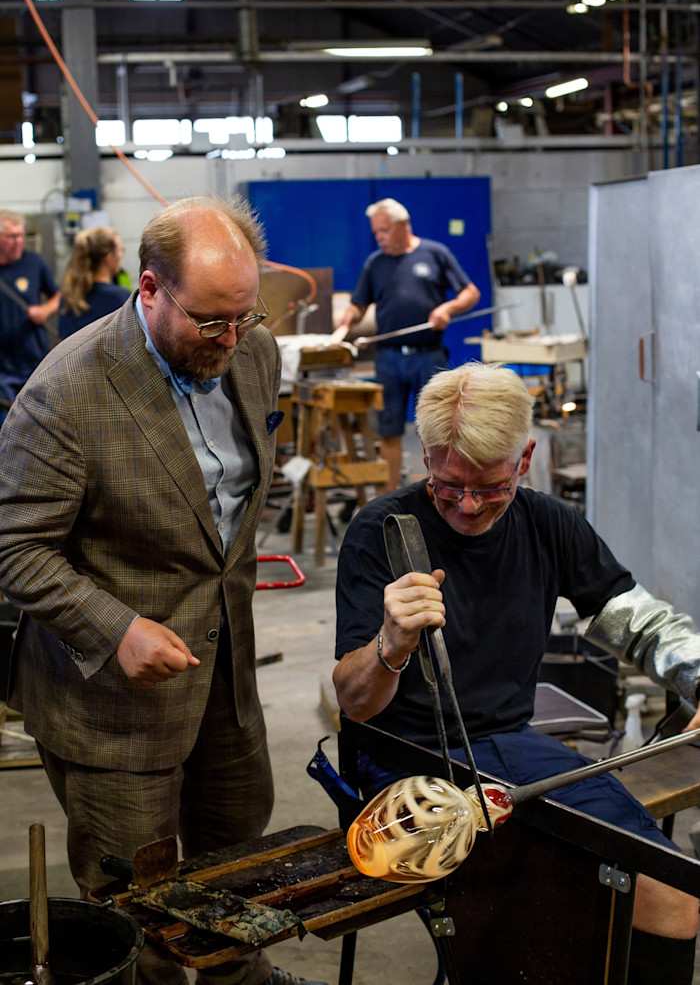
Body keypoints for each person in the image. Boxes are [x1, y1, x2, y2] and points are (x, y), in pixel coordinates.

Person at [0, 196, 326, 985]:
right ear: (149, 289)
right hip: (112, 704)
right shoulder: (67, 390)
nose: (230, 340)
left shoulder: (253, 353)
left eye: (244, 318)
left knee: (234, 862)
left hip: (226, 678)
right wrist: (114, 627)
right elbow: (14, 546)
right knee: (135, 904)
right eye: (210, 322)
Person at [333, 361, 700, 985]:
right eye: (448, 485)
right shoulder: (383, 531)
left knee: (671, 891)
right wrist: (391, 644)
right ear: (426, 454)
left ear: (525, 457)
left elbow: (637, 623)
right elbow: (355, 702)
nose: (468, 506)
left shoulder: (549, 523)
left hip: (512, 750)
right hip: (404, 761)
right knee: (540, 911)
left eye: (491, 487)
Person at [334, 198, 481, 490]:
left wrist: (447, 309)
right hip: (388, 359)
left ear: (404, 225)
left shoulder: (435, 253)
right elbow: (359, 304)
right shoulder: (375, 263)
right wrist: (345, 321)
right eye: (376, 232)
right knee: (388, 430)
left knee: (438, 428)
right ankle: (391, 495)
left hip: (428, 355)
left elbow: (471, 292)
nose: (379, 238)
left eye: (385, 231)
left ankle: (440, 488)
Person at [0, 209, 61, 406]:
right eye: (12, 236)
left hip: (33, 358)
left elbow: (58, 296)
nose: (19, 241)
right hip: (2, 366)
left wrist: (44, 310)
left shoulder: (34, 262)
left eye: (21, 235)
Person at [59, 225, 131, 339]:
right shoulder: (121, 299)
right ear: (108, 257)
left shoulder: (69, 297)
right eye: (119, 250)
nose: (121, 254)